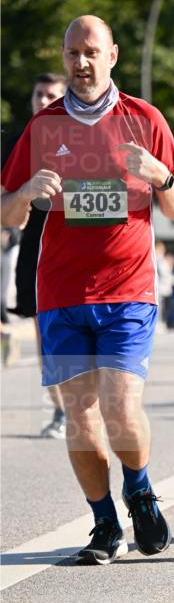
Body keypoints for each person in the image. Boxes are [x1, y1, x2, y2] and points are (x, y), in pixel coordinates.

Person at [1, 14, 174, 563]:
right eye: (72, 54)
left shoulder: (144, 119)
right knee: (81, 416)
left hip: (128, 289)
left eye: (91, 52)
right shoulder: (43, 128)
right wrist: (26, 195)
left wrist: (162, 177)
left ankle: (139, 487)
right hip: (61, 293)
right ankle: (105, 522)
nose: (81, 64)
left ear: (112, 55)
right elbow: (5, 215)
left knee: (120, 405)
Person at [3, 73, 68, 433]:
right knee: (44, 331)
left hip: (76, 247)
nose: (44, 102)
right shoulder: (17, 143)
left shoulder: (83, 140)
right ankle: (61, 411)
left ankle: (86, 405)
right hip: (34, 246)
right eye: (39, 94)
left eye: (52, 96)